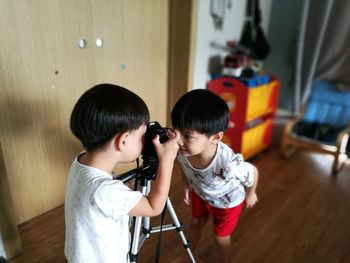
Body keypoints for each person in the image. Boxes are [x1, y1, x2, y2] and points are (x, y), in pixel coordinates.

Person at [65, 83, 180, 263]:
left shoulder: (81, 161)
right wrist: (167, 160)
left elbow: (103, 192)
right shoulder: (105, 191)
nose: (145, 140)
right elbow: (153, 207)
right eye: (143, 135)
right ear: (123, 141)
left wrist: (124, 186)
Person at [171, 89, 258, 263]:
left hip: (227, 203)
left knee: (220, 239)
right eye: (176, 130)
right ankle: (185, 259)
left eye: (187, 135)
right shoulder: (182, 148)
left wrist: (251, 192)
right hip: (201, 194)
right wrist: (186, 185)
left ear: (216, 137)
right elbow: (184, 165)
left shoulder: (228, 164)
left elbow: (252, 171)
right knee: (195, 225)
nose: (178, 139)